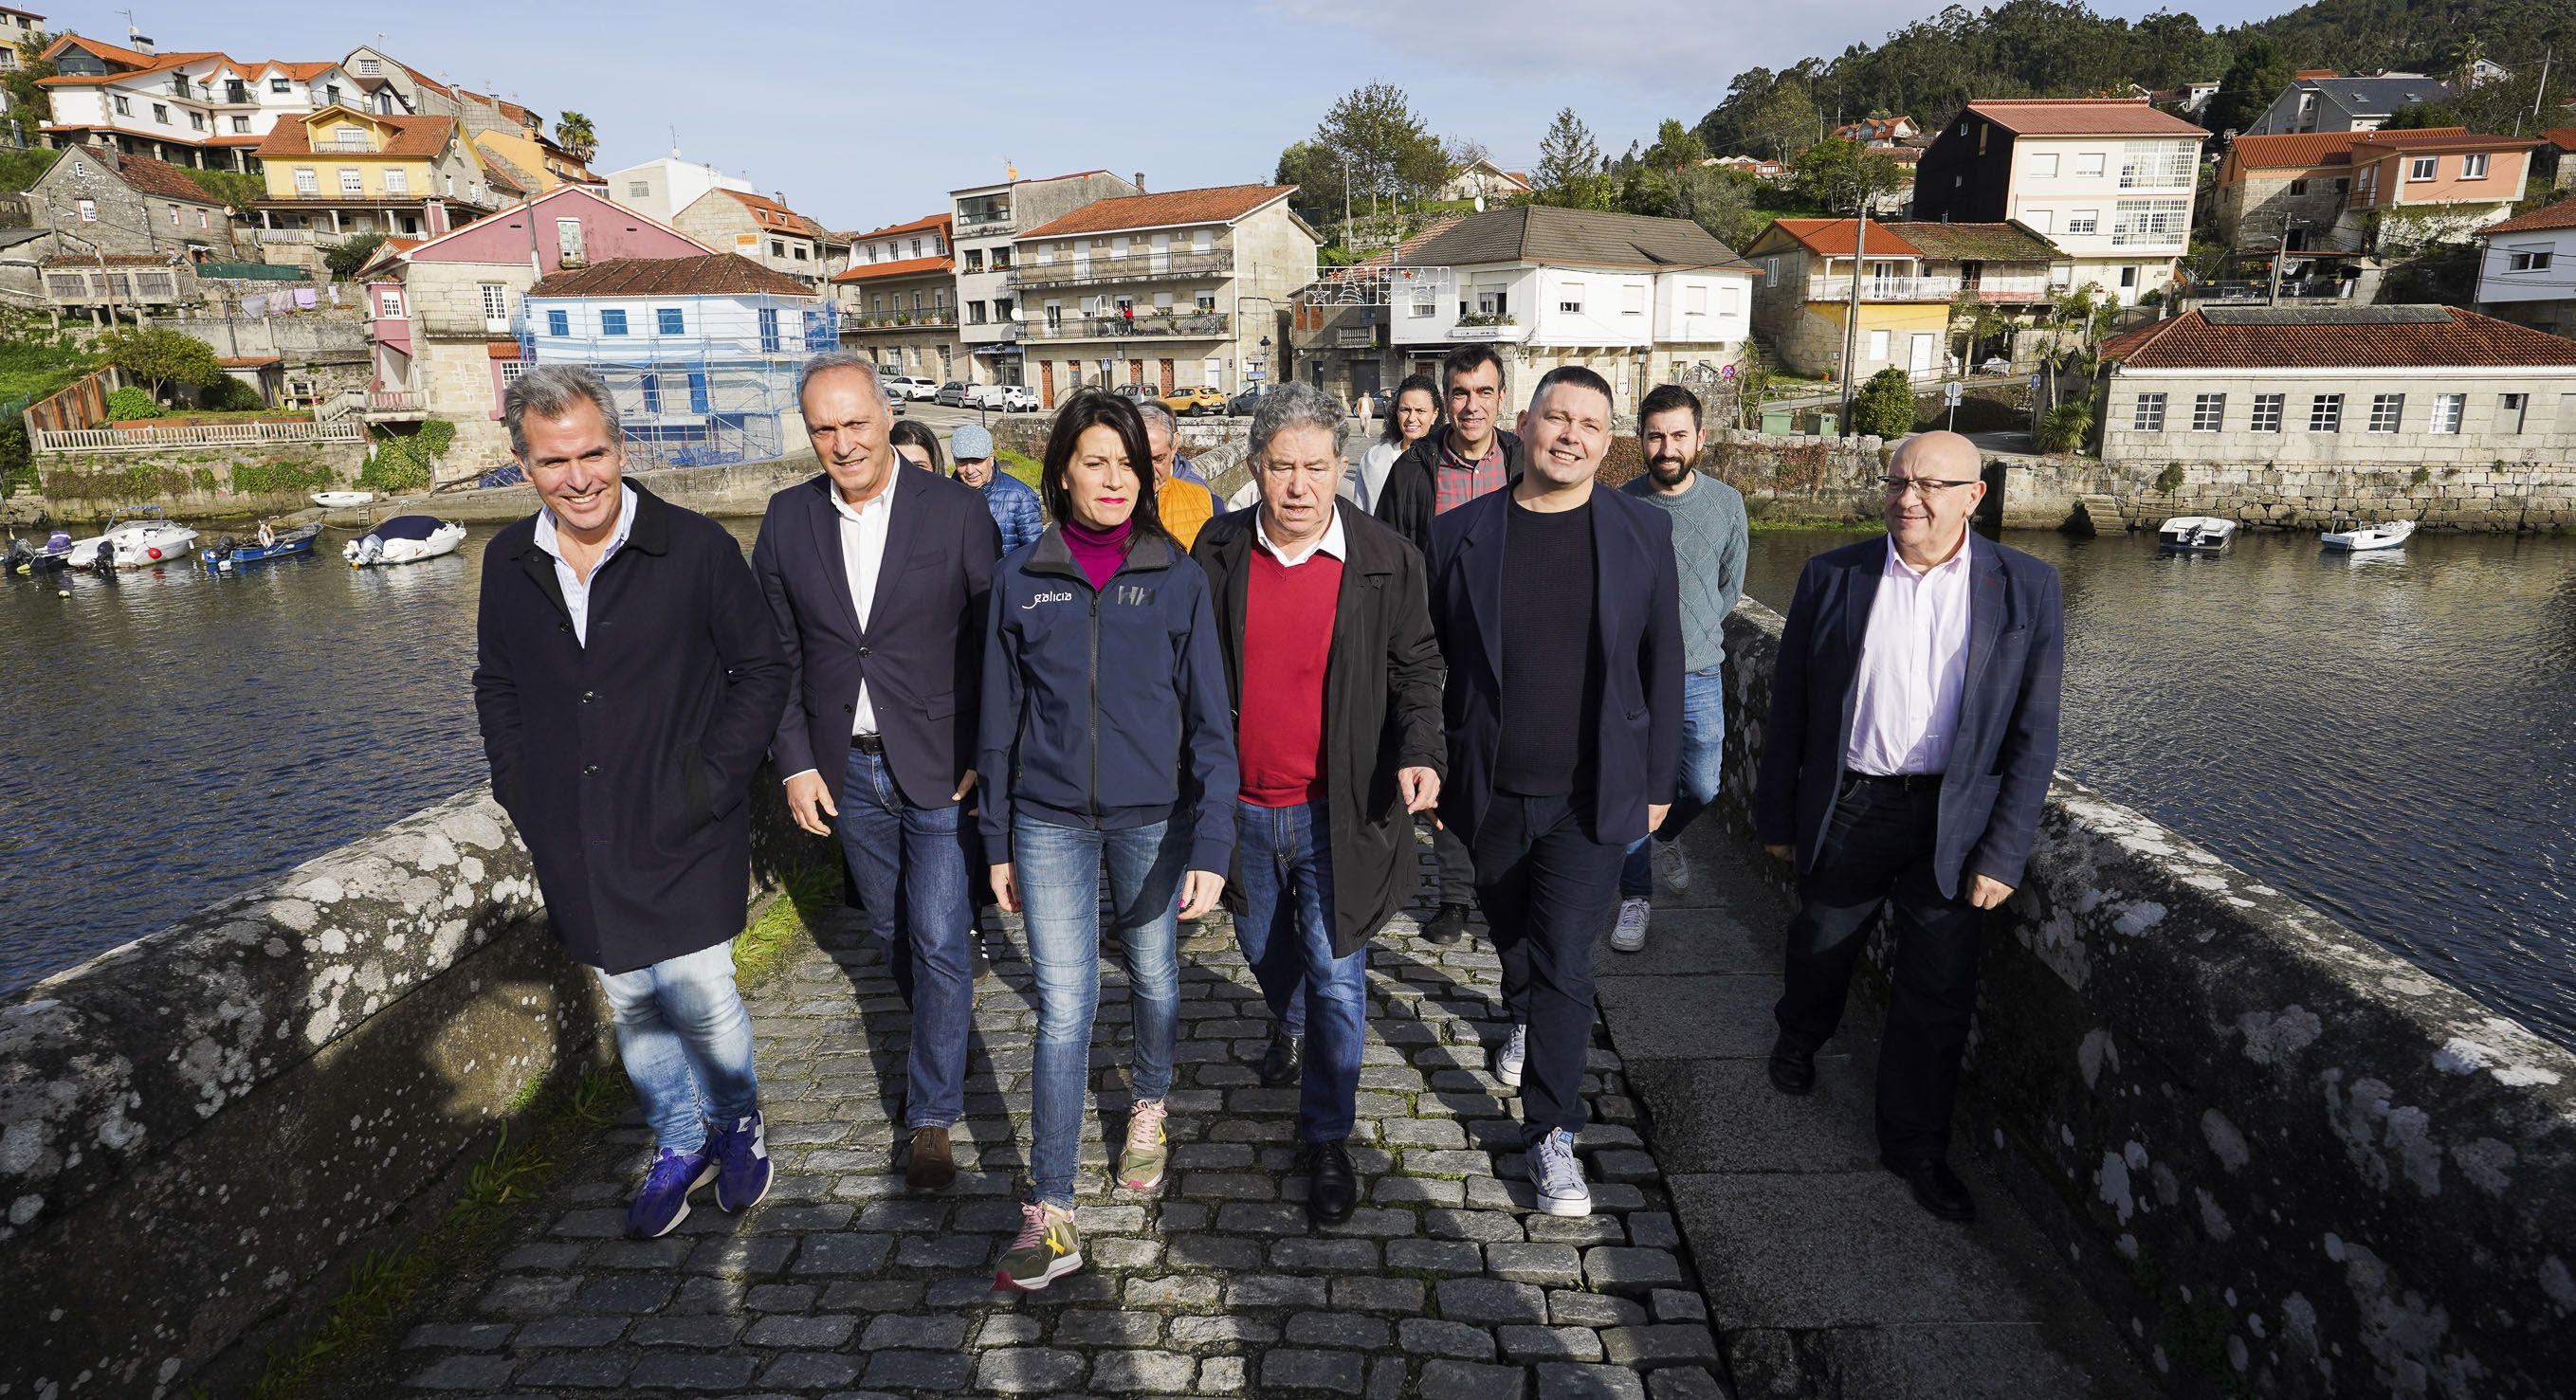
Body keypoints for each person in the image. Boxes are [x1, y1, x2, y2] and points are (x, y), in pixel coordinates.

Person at [470, 365, 790, 1240]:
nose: (578, 477)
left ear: (621, 446)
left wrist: (713, 777)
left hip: (683, 820)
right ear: (521, 465)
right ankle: (678, 1140)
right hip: (576, 827)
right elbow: (497, 680)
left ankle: (735, 1122)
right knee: (628, 998)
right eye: (552, 460)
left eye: (593, 452)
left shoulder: (692, 547)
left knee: (699, 991)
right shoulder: (509, 560)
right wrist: (517, 779)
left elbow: (760, 669)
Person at [1759, 429, 2062, 1225]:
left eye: (1929, 484)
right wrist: (1778, 816)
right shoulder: (1834, 574)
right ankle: (1799, 1034)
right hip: (1853, 800)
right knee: (1819, 943)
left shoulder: (2026, 586)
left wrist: (2005, 847)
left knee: (1936, 992)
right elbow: (1787, 703)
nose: (1908, 498)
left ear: (1973, 495)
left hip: (1953, 821)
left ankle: (1914, 1144)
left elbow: (2034, 734)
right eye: (1897, 480)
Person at [979, 390, 1237, 1290]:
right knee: (1064, 1006)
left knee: (1157, 974)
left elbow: (1211, 722)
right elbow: (997, 722)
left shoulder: (1178, 578)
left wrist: (1212, 842)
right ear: (1061, 471)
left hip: (1154, 818)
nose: (1114, 479)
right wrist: (996, 841)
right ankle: (1051, 1210)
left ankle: (1149, 1105)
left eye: (1128, 462)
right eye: (1095, 461)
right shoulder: (1021, 579)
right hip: (1048, 821)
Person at [1425, 364, 1679, 1219]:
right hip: (1488, 788)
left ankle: (1550, 1132)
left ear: (1607, 444)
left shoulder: (1641, 533)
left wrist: (1657, 781)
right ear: (1523, 425)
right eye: (1556, 417)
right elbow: (1429, 666)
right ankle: (1521, 1007)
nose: (1570, 434)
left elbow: (1663, 664)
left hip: (1591, 792)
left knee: (1569, 960)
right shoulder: (1457, 533)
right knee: (1515, 941)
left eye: (1590, 425)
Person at [1190, 381, 1445, 1224]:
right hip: (1246, 809)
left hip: (1341, 808)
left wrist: (1419, 753)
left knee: (1338, 975)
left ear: (1341, 466)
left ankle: (1327, 1136)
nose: (1298, 486)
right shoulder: (1217, 549)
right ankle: (1286, 1019)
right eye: (1280, 467)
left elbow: (1416, 670)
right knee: (1266, 948)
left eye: (1316, 467)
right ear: (1255, 467)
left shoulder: (1384, 558)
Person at [751, 354, 1000, 1193]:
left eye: (854, 423)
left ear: (886, 417)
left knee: (935, 937)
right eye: (823, 427)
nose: (841, 442)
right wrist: (792, 763)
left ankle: (929, 1117)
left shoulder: (956, 512)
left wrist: (983, 751)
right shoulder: (786, 521)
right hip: (844, 771)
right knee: (893, 935)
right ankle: (945, 1030)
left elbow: (990, 643)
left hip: (938, 764)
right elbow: (773, 655)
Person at [1376, 345, 1526, 947]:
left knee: (1514, 766)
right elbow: (1387, 556)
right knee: (1446, 765)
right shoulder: (1414, 471)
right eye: (1460, 394)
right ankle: (1457, 896)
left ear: (1501, 398)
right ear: (1446, 401)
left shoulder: (1523, 460)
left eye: (1484, 393)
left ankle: (1511, 880)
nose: (1472, 406)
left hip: (1514, 636)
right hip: (1436, 640)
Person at [1612, 385, 1747, 954]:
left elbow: (1729, 587)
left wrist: (1690, 637)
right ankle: (1634, 897)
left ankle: (1668, 834)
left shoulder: (1726, 504)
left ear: (1700, 438)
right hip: (1634, 678)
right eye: (1655, 435)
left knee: (1704, 785)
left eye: (1678, 435)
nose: (1666, 447)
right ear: (1641, 440)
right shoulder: (1619, 503)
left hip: (1698, 673)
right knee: (1632, 790)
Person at [1350, 373, 1438, 513]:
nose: (1411, 418)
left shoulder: (1446, 462)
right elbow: (1360, 515)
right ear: (1396, 412)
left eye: (1420, 411)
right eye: (1405, 410)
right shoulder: (1372, 460)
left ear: (1434, 414)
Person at [952, 421, 1041, 555]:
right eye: (962, 462)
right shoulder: (947, 494)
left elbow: (1034, 554)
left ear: (991, 458)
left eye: (977, 461)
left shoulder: (1021, 497)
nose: (970, 470)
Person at [1139, 400, 1216, 548]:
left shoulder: (1208, 503)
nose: (1148, 471)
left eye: (1158, 459)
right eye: (1138, 459)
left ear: (1174, 446)